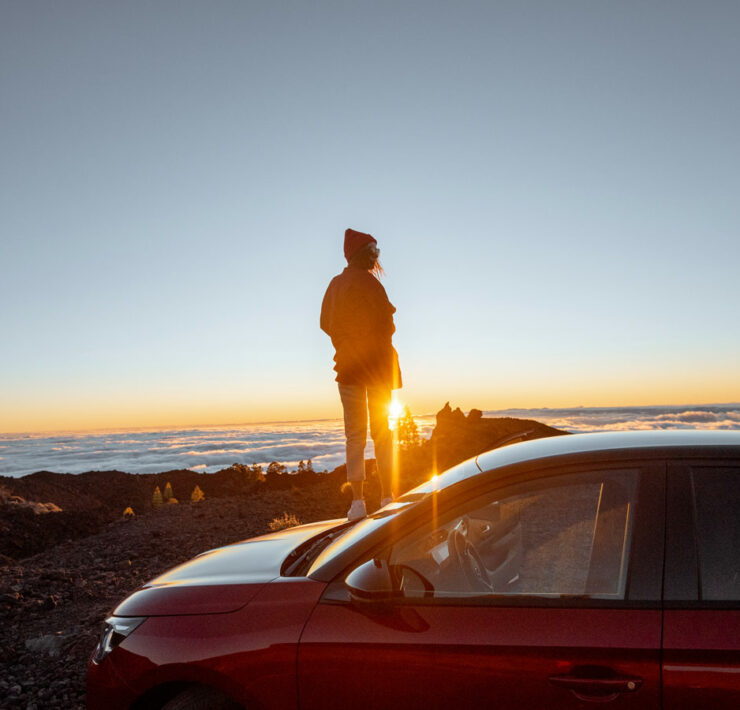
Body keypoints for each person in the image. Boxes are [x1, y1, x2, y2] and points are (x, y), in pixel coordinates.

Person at [320, 228, 402, 521]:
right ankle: (387, 496)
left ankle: (357, 503)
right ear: (361, 253)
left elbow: (325, 323)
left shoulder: (335, 286)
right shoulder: (372, 285)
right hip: (378, 368)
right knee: (382, 432)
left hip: (349, 367)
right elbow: (388, 325)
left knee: (354, 434)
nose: (377, 256)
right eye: (374, 251)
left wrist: (346, 344)